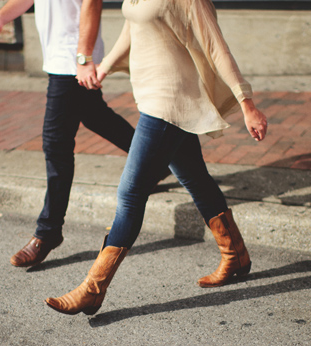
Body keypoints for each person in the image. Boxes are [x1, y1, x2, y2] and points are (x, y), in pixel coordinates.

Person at [45, 0, 268, 316]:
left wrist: (247, 104)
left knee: (130, 194)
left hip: (170, 102)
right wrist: (105, 66)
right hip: (151, 98)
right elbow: (132, 27)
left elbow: (216, 46)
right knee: (194, 178)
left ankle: (92, 289)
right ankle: (236, 256)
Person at [0, 0, 136, 268]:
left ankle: (48, 231)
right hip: (61, 58)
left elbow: (92, 3)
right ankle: (160, 160)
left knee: (56, 144)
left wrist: (84, 58)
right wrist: (0, 19)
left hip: (73, 59)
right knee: (95, 116)